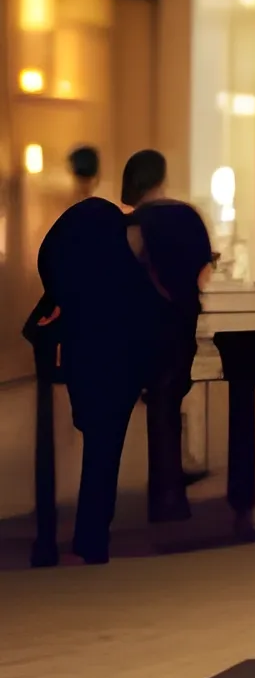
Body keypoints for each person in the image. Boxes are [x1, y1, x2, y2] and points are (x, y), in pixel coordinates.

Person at [34, 177, 153, 563]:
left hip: (83, 357)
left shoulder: (74, 272)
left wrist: (60, 297)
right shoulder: (122, 263)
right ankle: (92, 535)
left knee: (96, 441)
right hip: (118, 361)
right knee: (106, 449)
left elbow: (50, 258)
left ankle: (85, 536)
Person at [123, 150, 215, 525]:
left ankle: (165, 497)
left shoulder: (132, 224)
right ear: (161, 177)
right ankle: (170, 494)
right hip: (182, 322)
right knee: (170, 398)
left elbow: (125, 274)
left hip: (145, 325)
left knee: (159, 404)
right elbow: (204, 272)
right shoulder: (189, 217)